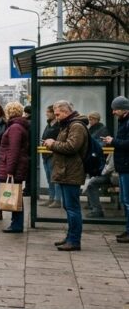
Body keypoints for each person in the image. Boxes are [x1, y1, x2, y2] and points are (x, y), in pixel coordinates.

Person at [42, 99, 88, 251]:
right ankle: (70, 237)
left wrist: (53, 143)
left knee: (73, 208)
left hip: (71, 171)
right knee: (69, 207)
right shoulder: (68, 124)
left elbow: (72, 146)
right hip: (65, 171)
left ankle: (74, 240)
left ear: (66, 112)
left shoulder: (76, 126)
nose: (56, 117)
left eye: (57, 114)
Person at [0, 102, 31, 233]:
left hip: (12, 167)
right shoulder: (16, 126)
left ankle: (16, 224)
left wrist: (10, 171)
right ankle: (15, 223)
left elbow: (14, 150)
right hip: (14, 165)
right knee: (16, 195)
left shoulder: (15, 127)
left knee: (16, 196)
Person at [101, 95, 129, 243]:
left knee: (128, 200)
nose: (113, 112)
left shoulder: (127, 122)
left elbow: (126, 143)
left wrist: (114, 141)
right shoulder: (124, 121)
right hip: (123, 166)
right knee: (125, 200)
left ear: (123, 109)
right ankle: (127, 230)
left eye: (115, 109)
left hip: (127, 167)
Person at [41, 105, 62, 208]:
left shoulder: (58, 125)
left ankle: (57, 200)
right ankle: (51, 198)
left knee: (55, 177)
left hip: (53, 154)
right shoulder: (49, 124)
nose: (46, 114)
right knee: (49, 177)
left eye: (48, 112)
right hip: (45, 154)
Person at [84, 153, 116, 219]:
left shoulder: (114, 150)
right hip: (112, 174)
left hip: (114, 175)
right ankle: (93, 206)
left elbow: (110, 167)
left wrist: (99, 173)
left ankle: (97, 210)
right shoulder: (112, 149)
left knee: (92, 183)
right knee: (91, 179)